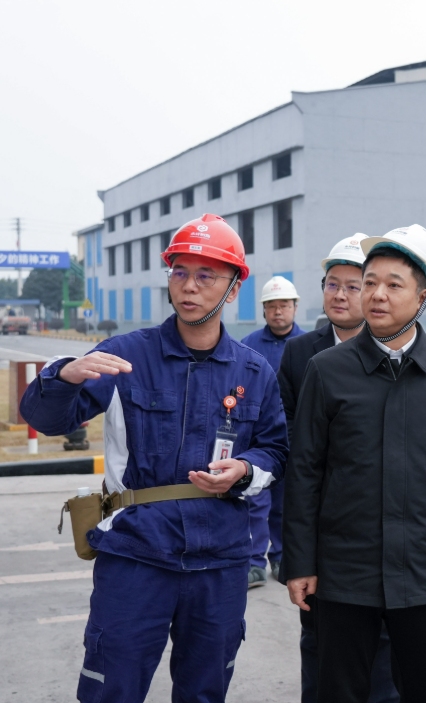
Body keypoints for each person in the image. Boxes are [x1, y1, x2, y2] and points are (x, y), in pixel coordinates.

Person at [20, 214, 288, 703]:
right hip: (136, 553)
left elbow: (275, 450)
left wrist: (246, 469)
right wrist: (65, 375)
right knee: (111, 688)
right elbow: (46, 418)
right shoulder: (125, 357)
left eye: (206, 275)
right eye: (179, 272)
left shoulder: (255, 371)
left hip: (220, 559)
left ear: (233, 289)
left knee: (205, 690)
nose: (189, 286)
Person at [283, 225, 426, 703]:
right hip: (343, 572)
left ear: (424, 296)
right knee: (340, 690)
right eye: (370, 281)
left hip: (424, 570)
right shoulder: (326, 370)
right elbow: (305, 473)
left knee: (423, 688)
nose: (376, 294)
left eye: (394, 284)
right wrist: (300, 563)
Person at [276, 236, 398, 703]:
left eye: (353, 285)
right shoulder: (300, 353)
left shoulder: (395, 352)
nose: (341, 295)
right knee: (319, 634)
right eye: (332, 284)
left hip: (376, 521)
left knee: (381, 640)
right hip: (319, 515)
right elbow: (286, 428)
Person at [241, 275, 304, 588]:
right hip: (258, 436)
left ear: (295, 307)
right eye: (271, 306)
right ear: (264, 310)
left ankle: (281, 558)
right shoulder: (248, 346)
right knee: (256, 500)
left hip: (294, 436)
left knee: (285, 502)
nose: (278, 311)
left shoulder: (308, 345)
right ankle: (254, 563)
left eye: (284, 305)